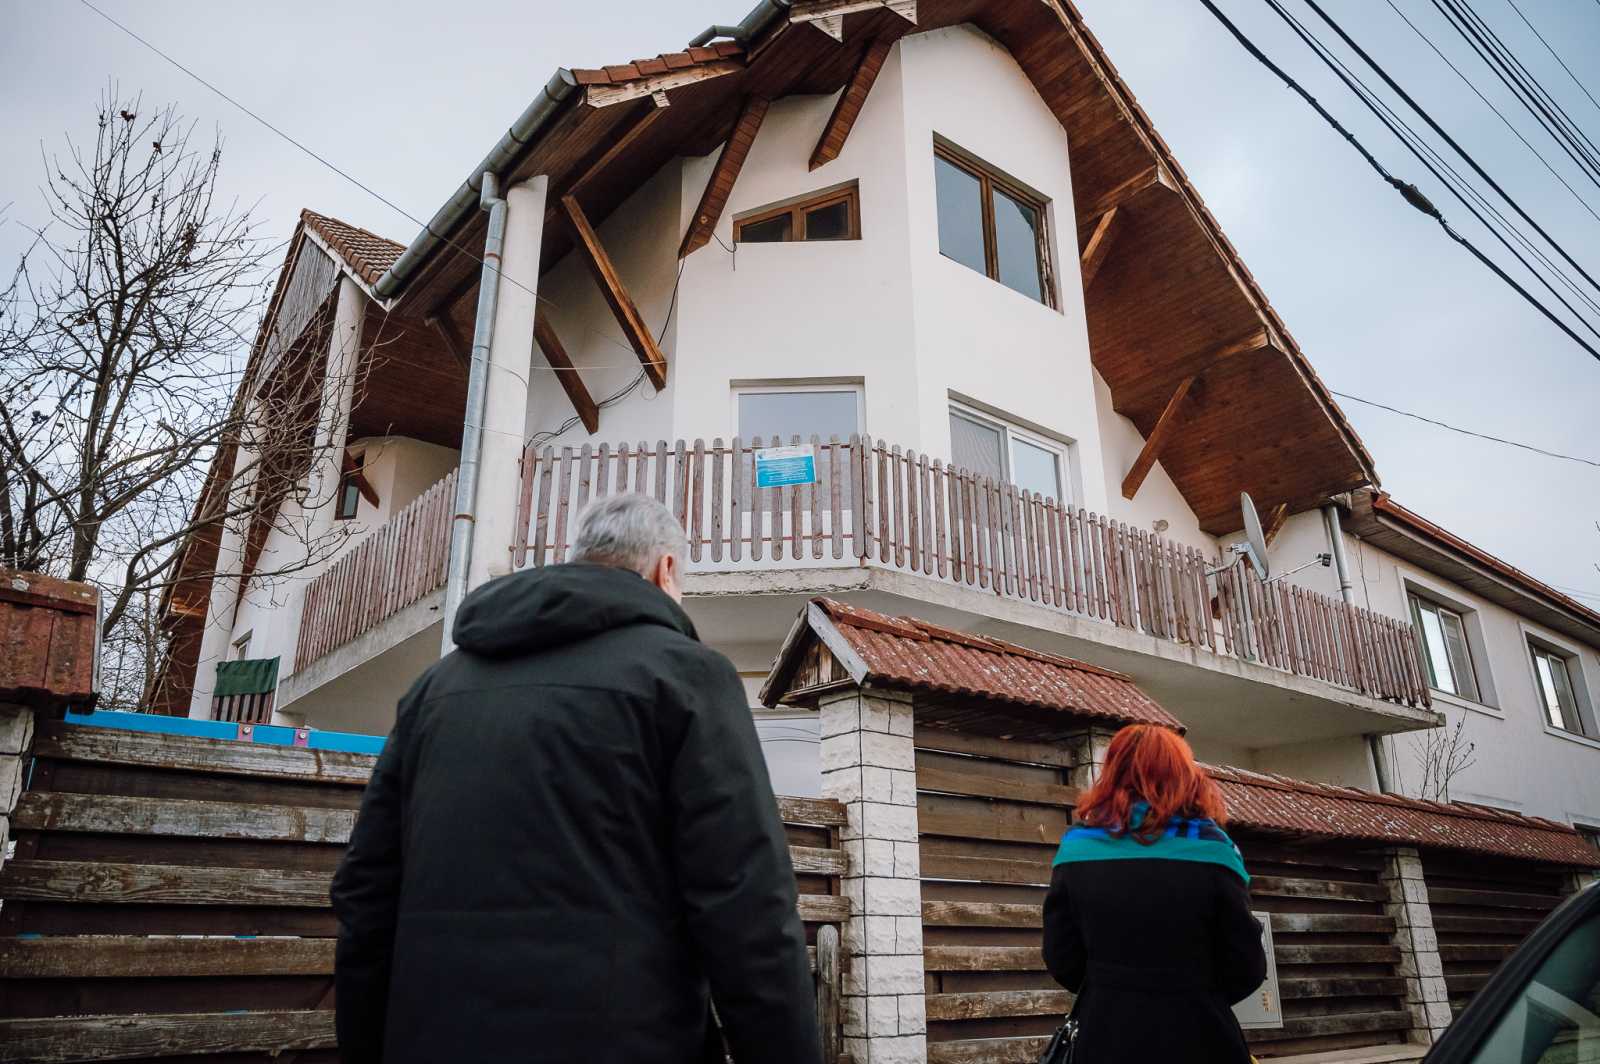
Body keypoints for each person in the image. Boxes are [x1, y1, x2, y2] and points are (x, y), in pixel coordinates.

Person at [331, 493, 821, 1064]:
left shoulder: (434, 690)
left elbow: (365, 891)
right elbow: (748, 905)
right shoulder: (686, 677)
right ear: (665, 569)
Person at [1042, 724, 1266, 1064]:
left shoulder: (1077, 849)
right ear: (1184, 775)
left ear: (1112, 772)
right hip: (1203, 1035)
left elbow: (1061, 958)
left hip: (1105, 1037)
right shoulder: (1214, 850)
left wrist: (1114, 993)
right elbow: (1246, 965)